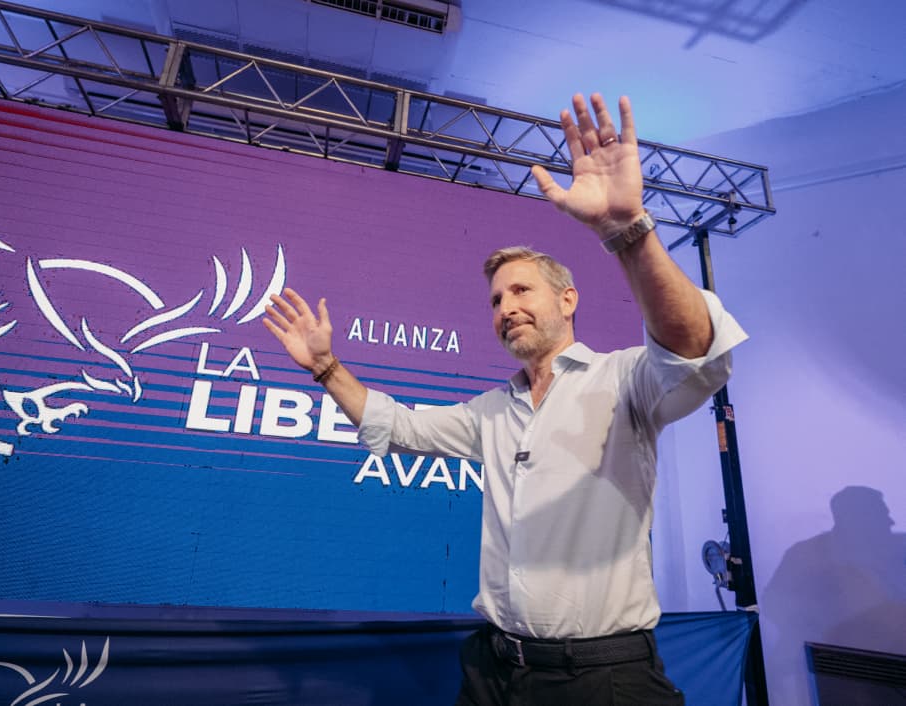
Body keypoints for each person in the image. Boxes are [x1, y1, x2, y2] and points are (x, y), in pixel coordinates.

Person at [263, 93, 747, 705]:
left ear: (567, 300)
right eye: (496, 300)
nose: (506, 308)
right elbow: (399, 427)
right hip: (494, 671)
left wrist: (626, 231)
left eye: (521, 291)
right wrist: (326, 367)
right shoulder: (493, 409)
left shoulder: (624, 380)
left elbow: (693, 348)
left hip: (602, 679)